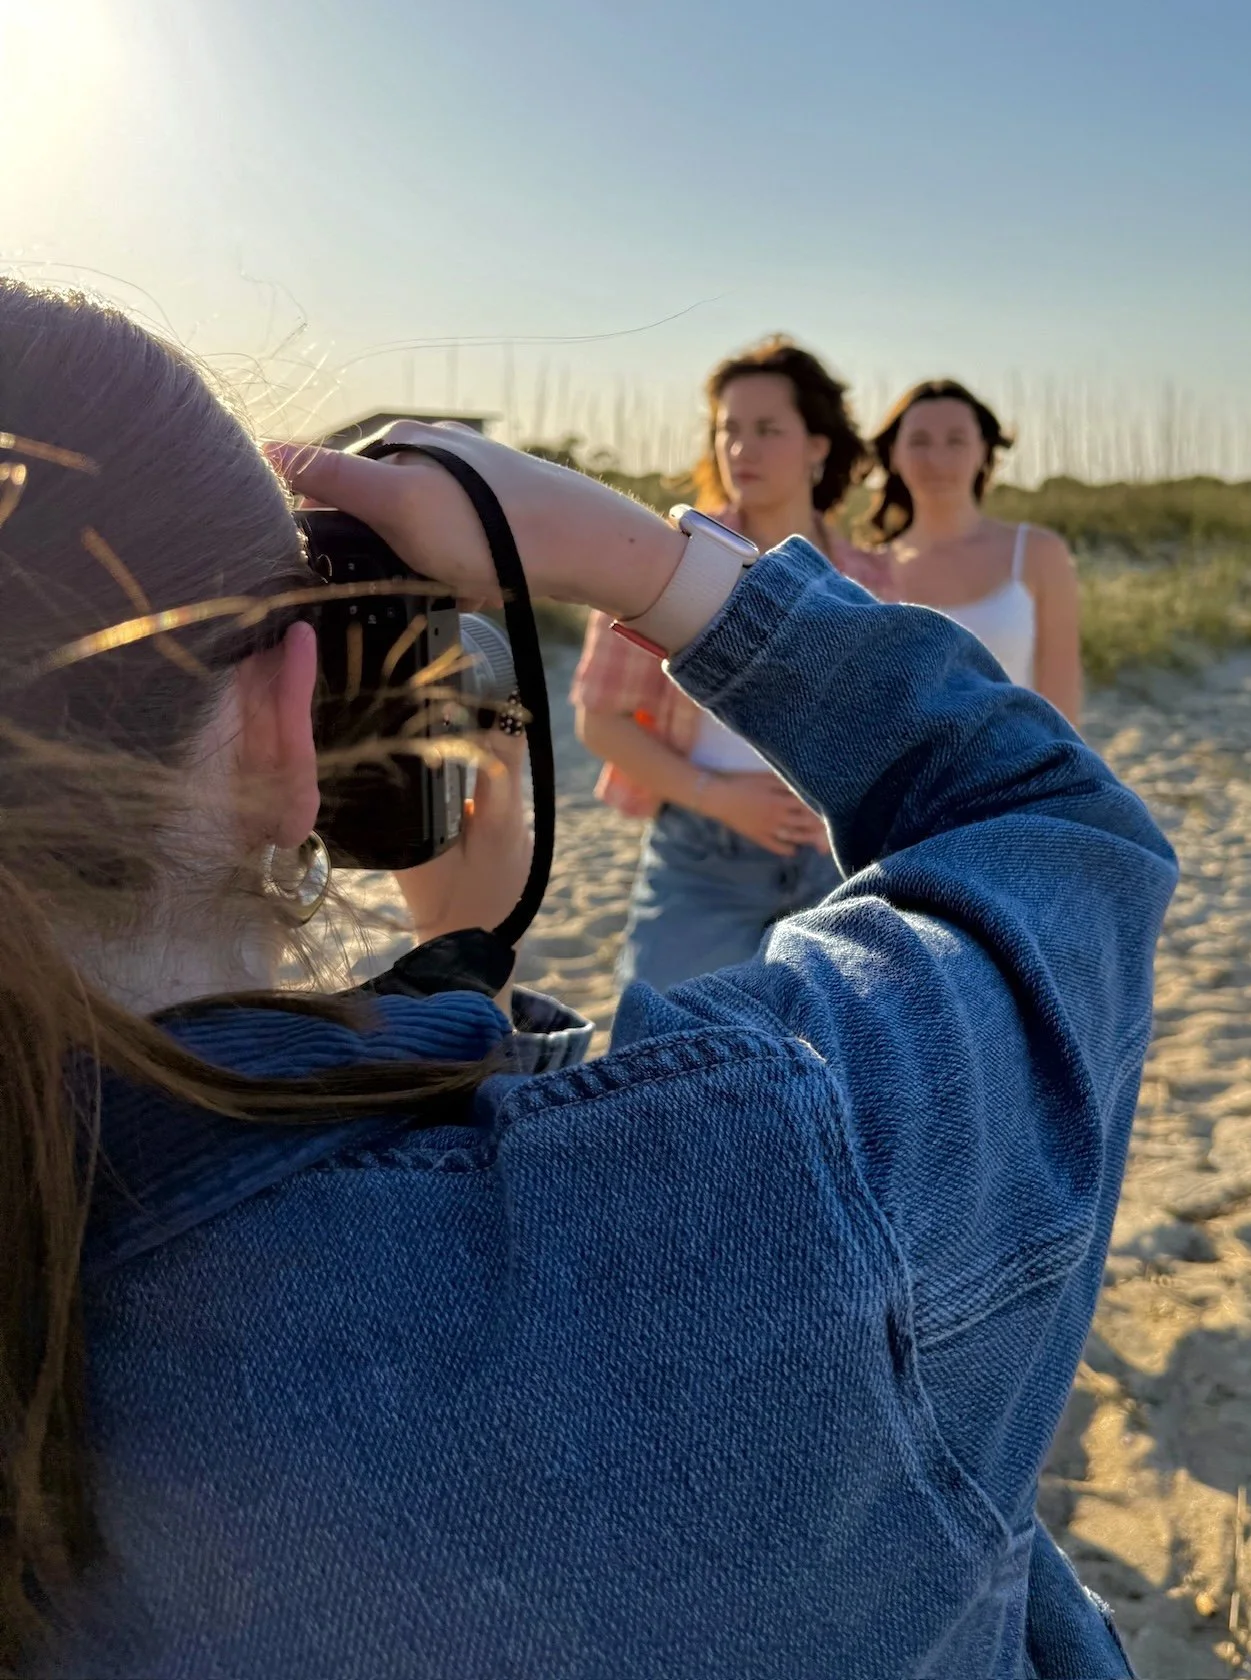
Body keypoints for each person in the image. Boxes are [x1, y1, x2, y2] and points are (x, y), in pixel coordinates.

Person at [2, 280, 1175, 1680]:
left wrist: (447, 997)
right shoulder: (749, 1186)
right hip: (715, 880)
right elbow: (1053, 832)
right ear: (283, 725)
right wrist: (635, 557)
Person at [572, 336, 892, 991]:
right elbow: (600, 721)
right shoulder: (663, 561)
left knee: (837, 1078)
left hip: (846, 864)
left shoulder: (871, 578)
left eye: (768, 429)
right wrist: (717, 797)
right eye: (729, 430)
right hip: (701, 856)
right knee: (663, 1062)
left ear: (818, 444)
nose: (742, 449)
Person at [871, 379, 1083, 721]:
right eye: (919, 441)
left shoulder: (1038, 554)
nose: (937, 459)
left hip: (1018, 770)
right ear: (894, 454)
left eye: (955, 441)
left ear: (984, 451)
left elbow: (1063, 714)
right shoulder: (868, 570)